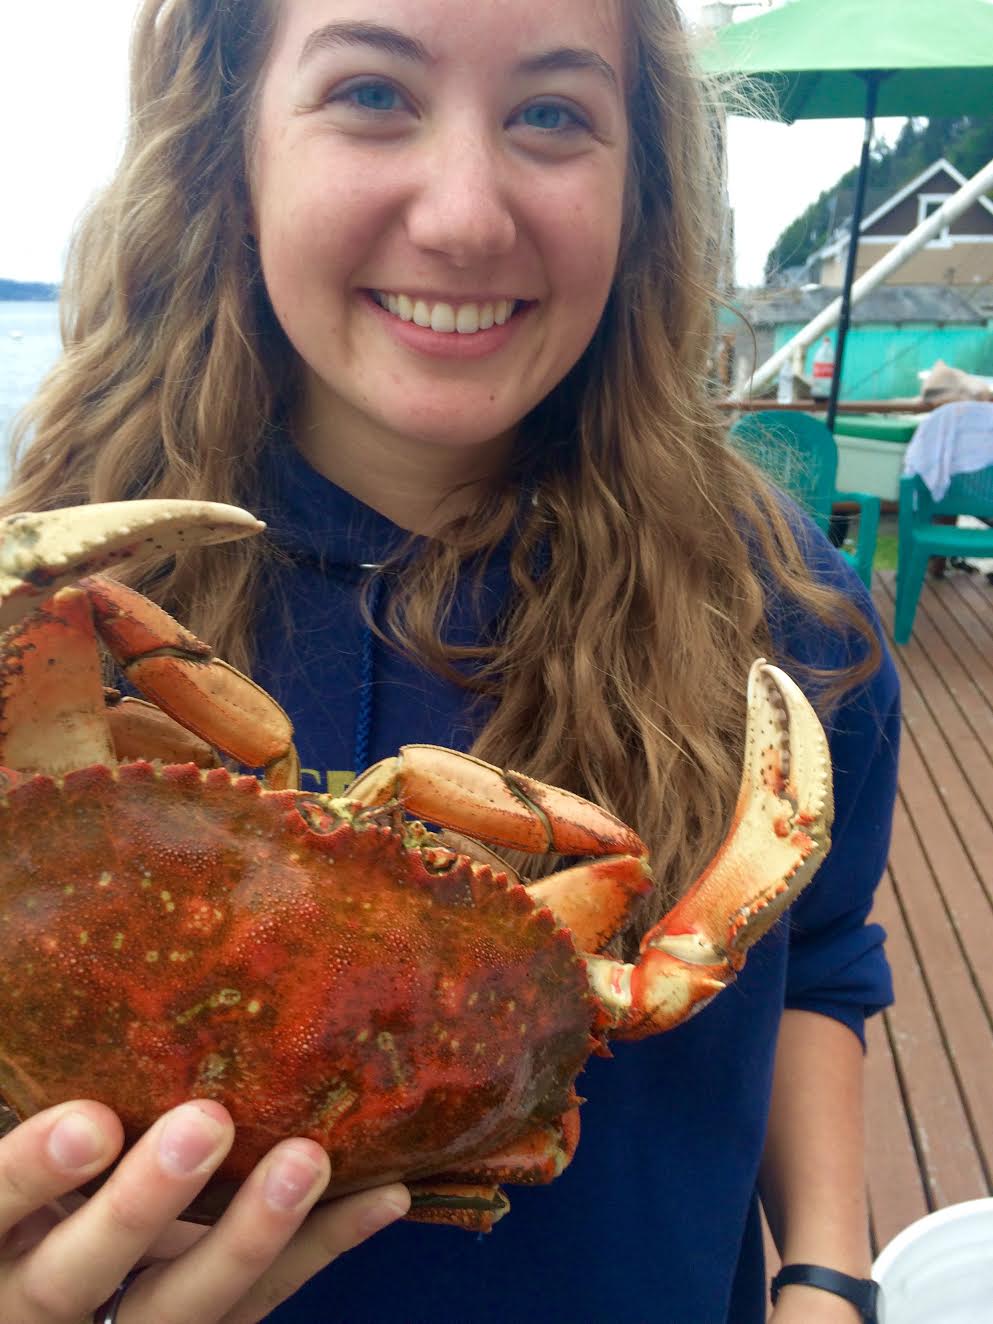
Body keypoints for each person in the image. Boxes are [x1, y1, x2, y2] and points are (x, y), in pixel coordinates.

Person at [0, 0, 900, 1320]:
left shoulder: (789, 621)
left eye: (550, 112)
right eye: (370, 92)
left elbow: (813, 959)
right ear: (226, 150)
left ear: (642, 187)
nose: (466, 217)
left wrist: (826, 1275)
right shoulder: (48, 613)